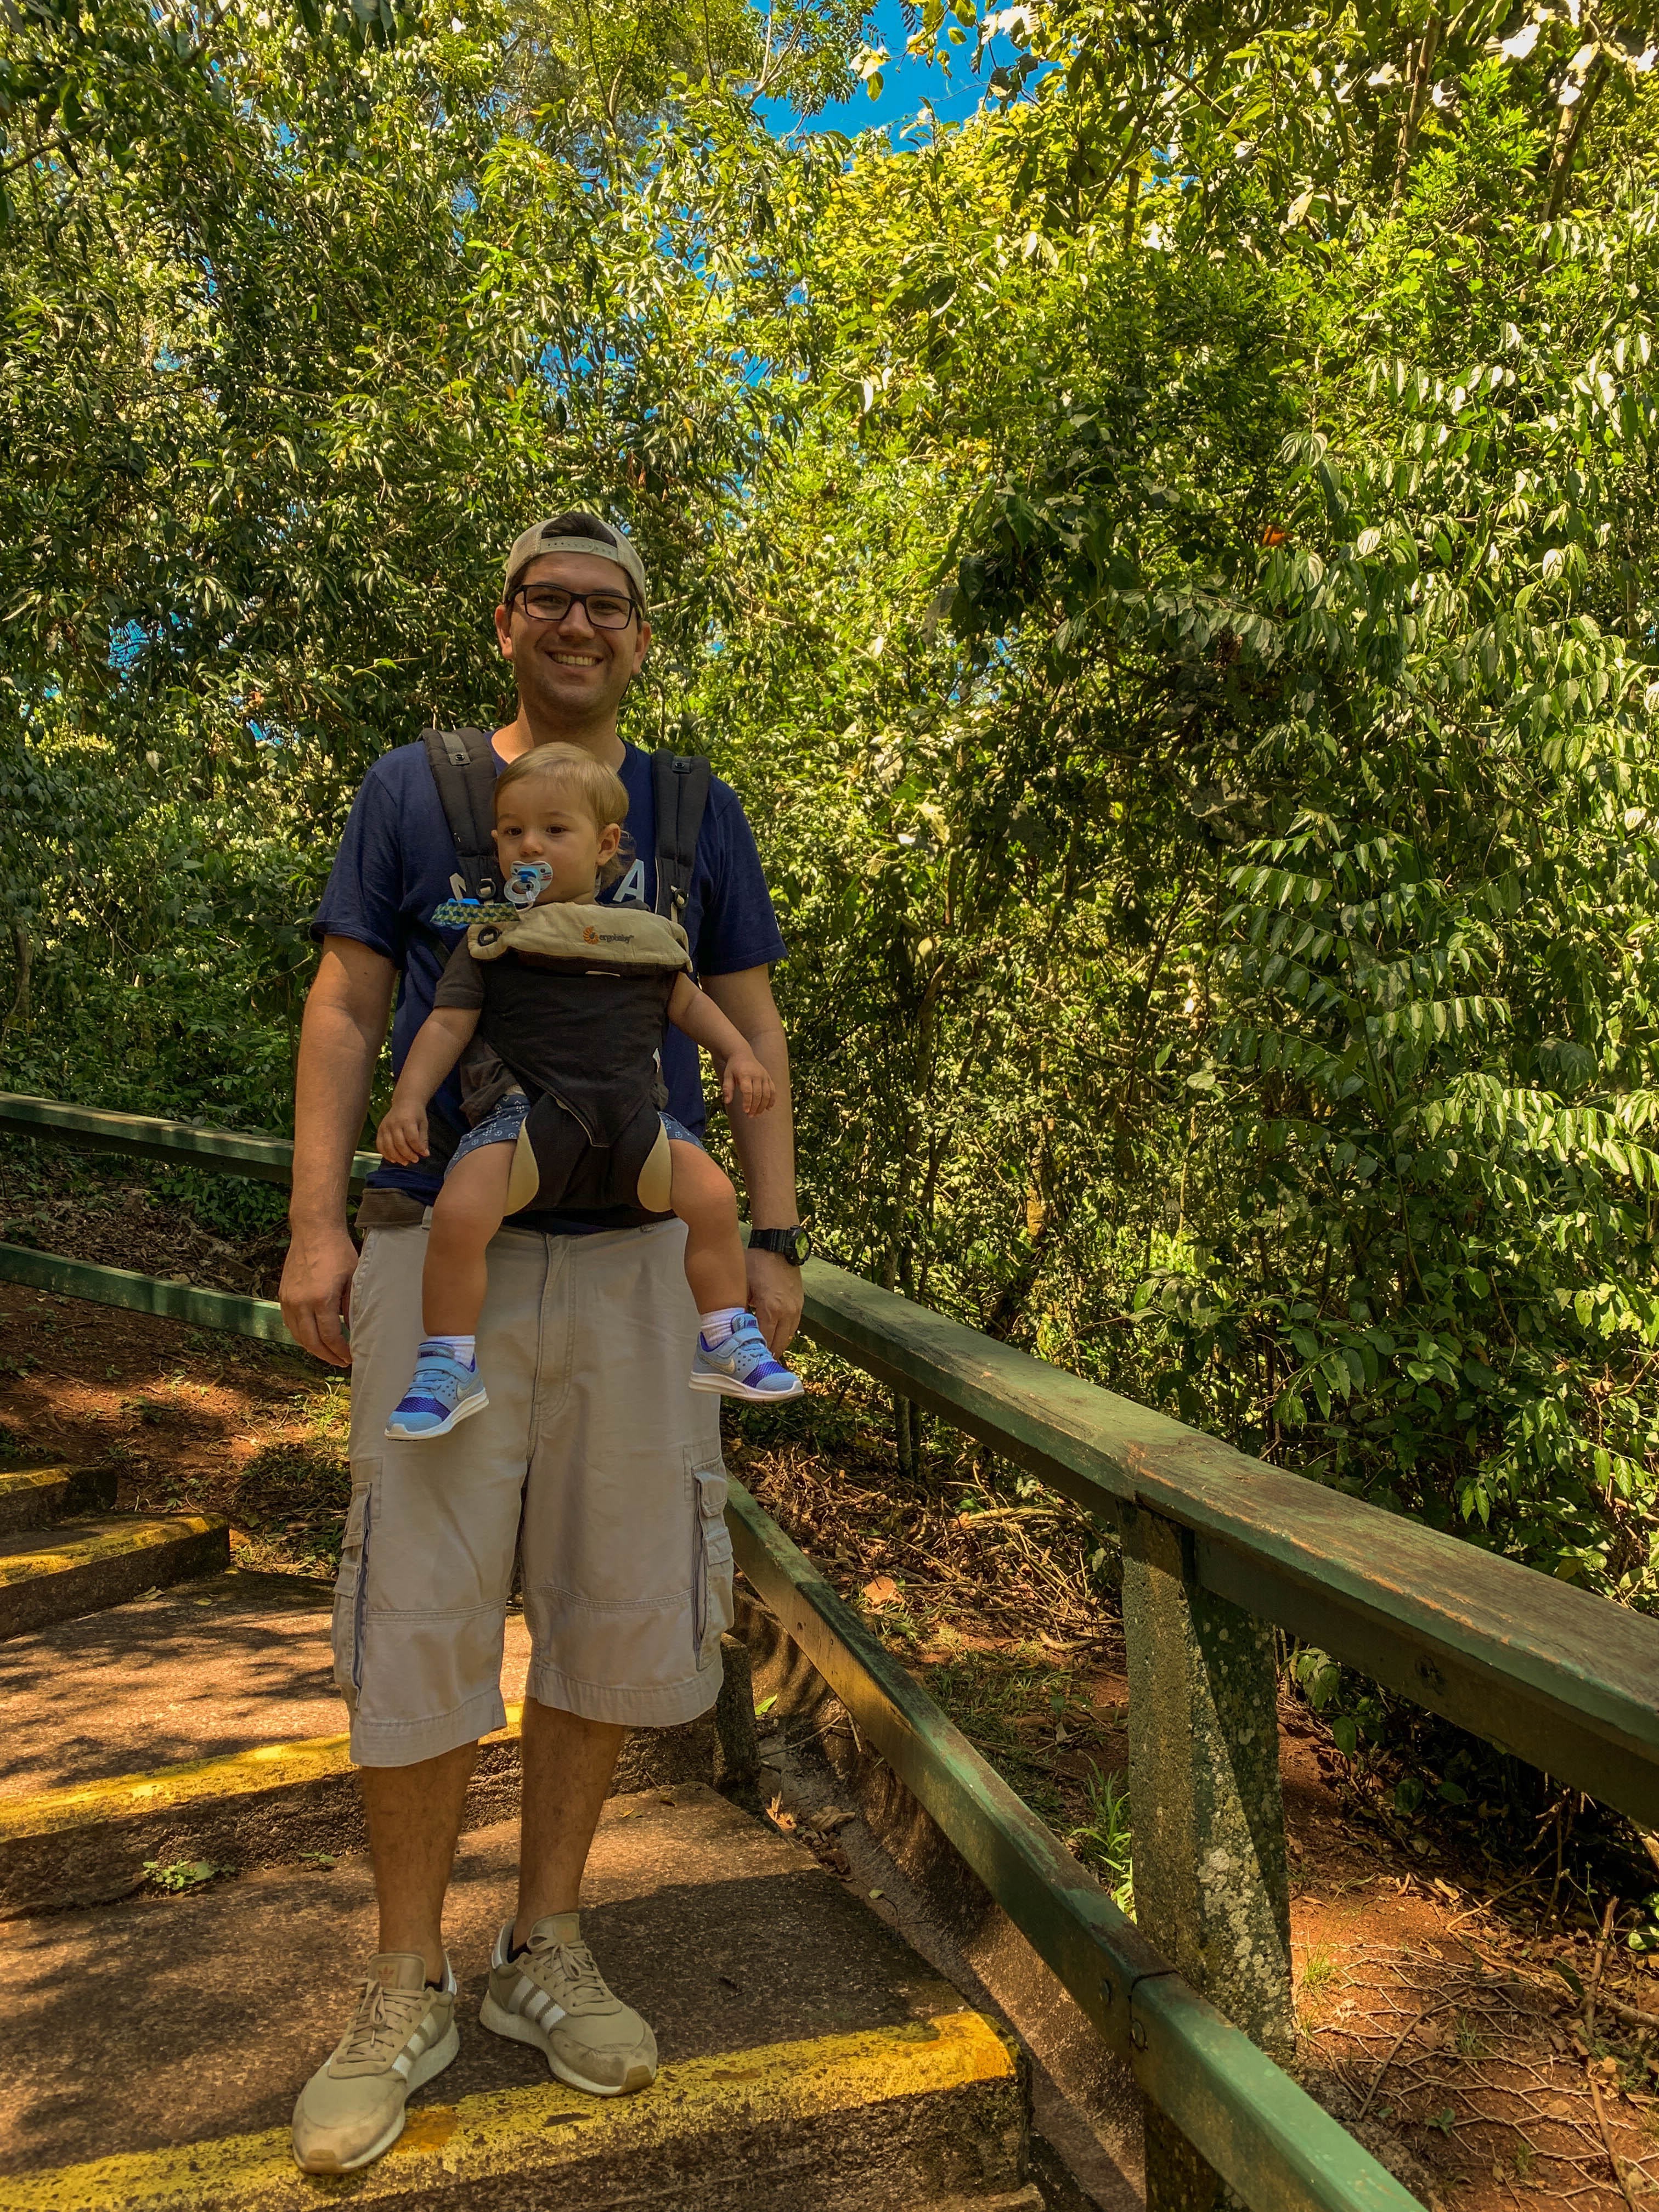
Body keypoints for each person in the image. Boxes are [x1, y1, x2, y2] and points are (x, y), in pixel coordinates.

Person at [279, 510, 810, 2176]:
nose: (579, 625)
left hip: (647, 1264)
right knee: (423, 1609)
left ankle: (546, 1944)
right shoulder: (415, 793)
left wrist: (774, 1240)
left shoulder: (692, 812)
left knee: (610, 1596)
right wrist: (313, 1218)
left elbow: (749, 1034)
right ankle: (401, 1977)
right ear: (503, 621)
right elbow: (355, 1005)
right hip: (445, 1260)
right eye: (550, 599)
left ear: (641, 639)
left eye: (610, 605)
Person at [374, 740, 803, 1438]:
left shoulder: (647, 937)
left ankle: (723, 1334)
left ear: (605, 844)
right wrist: (408, 1101)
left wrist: (738, 1056)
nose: (528, 846)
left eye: (553, 829)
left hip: (635, 1122)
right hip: (523, 1121)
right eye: (512, 831)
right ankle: (448, 1361)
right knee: (458, 1211)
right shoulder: (492, 936)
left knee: (716, 1198)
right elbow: (447, 1025)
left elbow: (691, 1005)